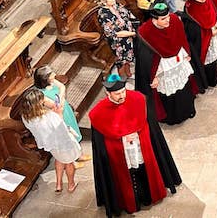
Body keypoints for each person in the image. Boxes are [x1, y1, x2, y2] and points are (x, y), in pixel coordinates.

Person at [89, 74, 182, 217]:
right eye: (117, 94)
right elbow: (101, 142)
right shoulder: (98, 112)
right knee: (127, 175)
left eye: (123, 91)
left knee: (144, 170)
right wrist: (122, 138)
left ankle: (150, 195)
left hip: (140, 146)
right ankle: (131, 201)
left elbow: (149, 124)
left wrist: (139, 133)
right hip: (120, 153)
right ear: (108, 93)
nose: (122, 96)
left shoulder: (137, 99)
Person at [135, 2, 199, 125]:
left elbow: (181, 37)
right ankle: (172, 117)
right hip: (162, 67)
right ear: (154, 19)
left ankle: (187, 110)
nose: (168, 20)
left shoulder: (174, 20)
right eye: (163, 19)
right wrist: (153, 76)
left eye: (168, 16)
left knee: (183, 86)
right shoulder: (145, 32)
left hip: (178, 61)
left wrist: (186, 53)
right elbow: (145, 59)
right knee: (169, 94)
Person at [21, 88, 81, 194]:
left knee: (59, 159)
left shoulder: (26, 116)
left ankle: (58, 184)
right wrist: (59, 114)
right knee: (69, 163)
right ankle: (71, 184)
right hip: (62, 142)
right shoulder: (50, 116)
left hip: (50, 144)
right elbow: (61, 128)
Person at [181, 0, 217, 87]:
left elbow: (211, 10)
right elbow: (193, 32)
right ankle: (210, 80)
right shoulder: (191, 9)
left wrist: (216, 18)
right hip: (205, 41)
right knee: (210, 62)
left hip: (213, 32)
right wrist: (210, 34)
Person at [33, 66, 84, 145]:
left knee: (73, 127)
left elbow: (62, 87)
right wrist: (61, 98)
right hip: (58, 115)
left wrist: (60, 97)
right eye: (51, 74)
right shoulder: (41, 95)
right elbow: (55, 105)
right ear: (45, 78)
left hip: (65, 109)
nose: (54, 74)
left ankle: (78, 147)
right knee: (67, 134)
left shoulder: (52, 81)